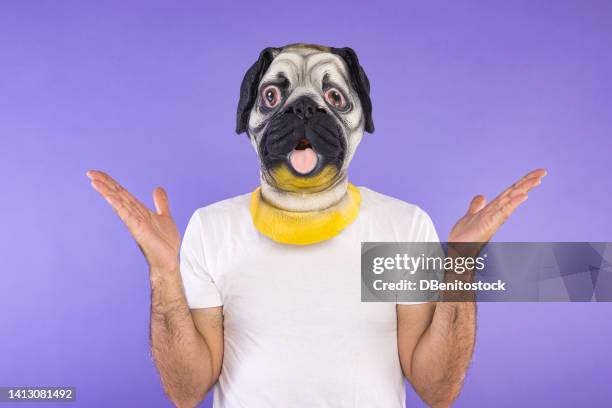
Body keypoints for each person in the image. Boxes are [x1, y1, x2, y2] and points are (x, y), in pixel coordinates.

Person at [87, 44, 546, 407]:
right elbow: (187, 393)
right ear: (247, 117)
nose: (303, 111)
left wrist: (461, 266)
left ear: (362, 118)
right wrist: (164, 273)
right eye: (274, 97)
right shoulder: (211, 229)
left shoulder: (401, 227)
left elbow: (436, 390)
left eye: (332, 98)